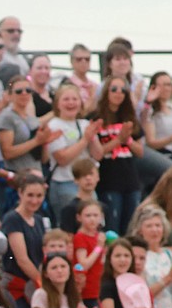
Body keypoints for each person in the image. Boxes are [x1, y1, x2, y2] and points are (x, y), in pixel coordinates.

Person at [2, 172, 49, 308]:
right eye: (30, 195)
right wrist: (44, 283)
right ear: (20, 193)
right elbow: (21, 259)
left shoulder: (38, 220)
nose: (34, 200)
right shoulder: (13, 219)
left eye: (39, 196)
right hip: (18, 288)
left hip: (36, 287)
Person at [91, 76, 144, 236]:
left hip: (131, 179)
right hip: (108, 180)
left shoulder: (130, 118)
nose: (118, 93)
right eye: (114, 89)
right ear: (106, 91)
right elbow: (97, 153)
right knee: (112, 231)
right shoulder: (95, 117)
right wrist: (118, 140)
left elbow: (140, 151)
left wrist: (127, 139)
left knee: (131, 229)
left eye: (123, 90)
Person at [0, 77, 53, 205]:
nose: (24, 94)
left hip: (37, 178)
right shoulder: (7, 117)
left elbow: (43, 159)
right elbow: (7, 152)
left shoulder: (31, 118)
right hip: (18, 181)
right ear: (10, 95)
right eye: (19, 91)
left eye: (28, 90)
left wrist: (45, 142)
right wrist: (37, 141)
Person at [45, 80, 97, 221]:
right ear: (57, 104)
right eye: (66, 99)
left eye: (75, 99)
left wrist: (93, 137)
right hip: (64, 182)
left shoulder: (84, 124)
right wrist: (85, 140)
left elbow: (97, 155)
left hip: (87, 184)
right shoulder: (54, 125)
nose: (71, 103)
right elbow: (62, 158)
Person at [71, 199, 107, 308]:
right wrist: (99, 248)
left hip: (97, 292)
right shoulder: (80, 237)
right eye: (88, 215)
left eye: (95, 215)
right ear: (79, 217)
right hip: (86, 294)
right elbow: (82, 264)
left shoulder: (97, 237)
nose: (92, 219)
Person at [139, 72, 172, 187]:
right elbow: (150, 142)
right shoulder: (150, 110)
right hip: (162, 154)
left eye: (168, 84)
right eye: (162, 85)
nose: (166, 88)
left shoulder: (170, 107)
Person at [58, 157, 100, 234]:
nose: (88, 178)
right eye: (83, 175)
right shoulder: (69, 209)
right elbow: (67, 237)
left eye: (91, 174)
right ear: (76, 180)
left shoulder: (102, 207)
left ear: (98, 177)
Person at [62, 44, 98, 112]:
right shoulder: (67, 85)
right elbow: (78, 112)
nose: (83, 62)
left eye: (87, 59)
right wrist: (92, 97)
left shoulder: (95, 85)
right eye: (79, 59)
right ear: (71, 61)